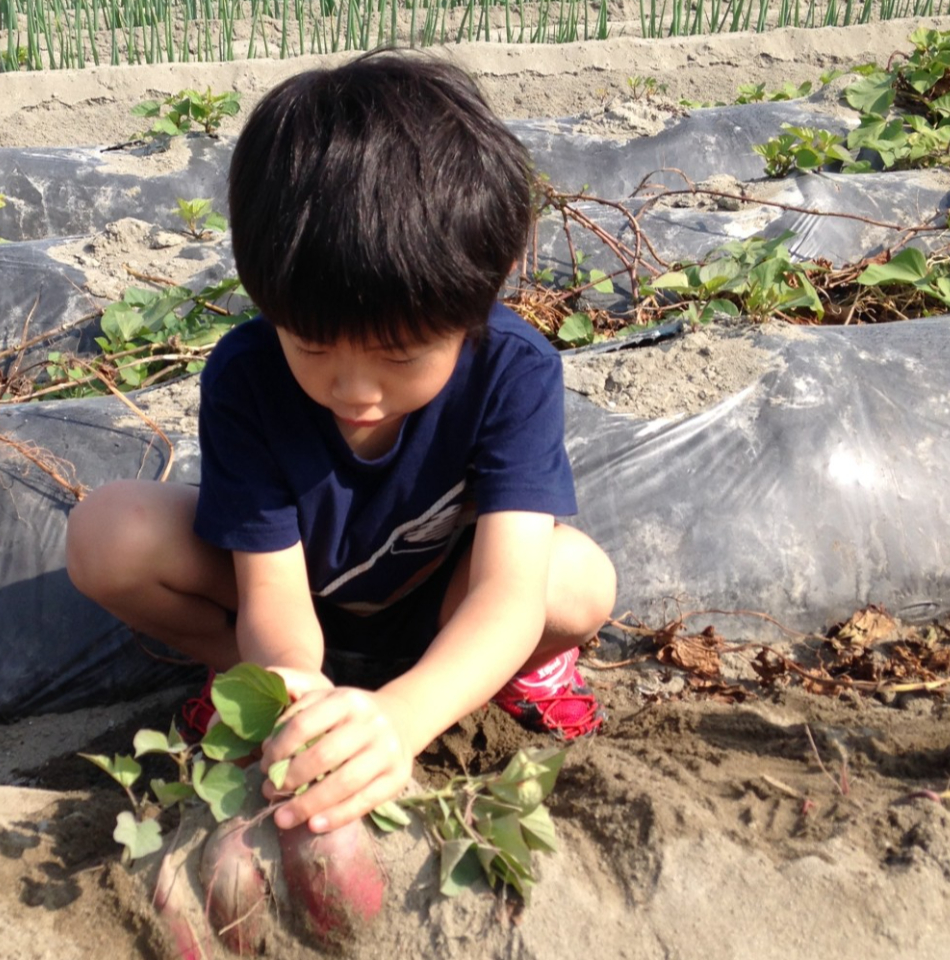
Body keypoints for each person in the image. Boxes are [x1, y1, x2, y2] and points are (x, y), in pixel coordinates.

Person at [66, 50, 616, 838]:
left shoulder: (512, 370)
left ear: (469, 316)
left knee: (577, 581)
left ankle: (498, 678)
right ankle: (243, 683)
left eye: (399, 358)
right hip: (303, 598)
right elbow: (273, 596)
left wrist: (404, 716)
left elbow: (507, 591)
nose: (354, 391)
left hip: (442, 604)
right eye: (313, 347)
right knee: (106, 535)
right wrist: (299, 696)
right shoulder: (248, 378)